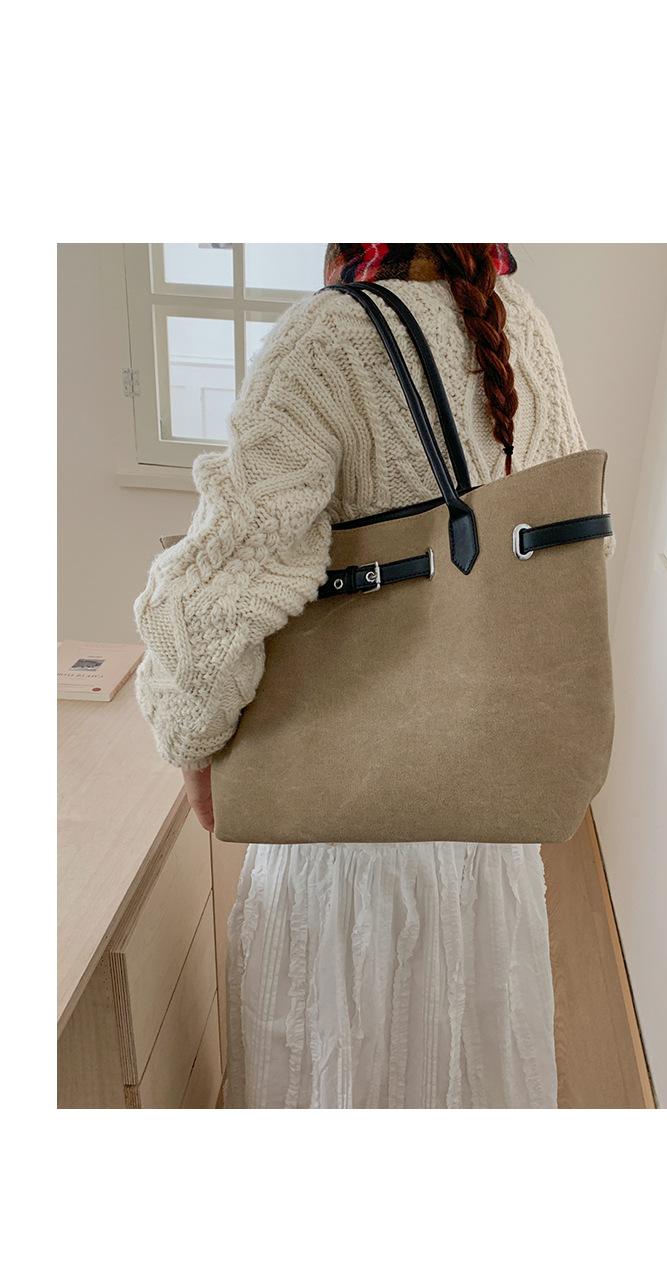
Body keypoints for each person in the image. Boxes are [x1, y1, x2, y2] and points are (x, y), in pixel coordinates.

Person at [134, 242, 608, 1109]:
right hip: (487, 828)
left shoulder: (323, 343)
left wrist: (190, 742)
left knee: (347, 1076)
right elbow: (566, 554)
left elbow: (211, 606)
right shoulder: (519, 321)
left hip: (346, 837)